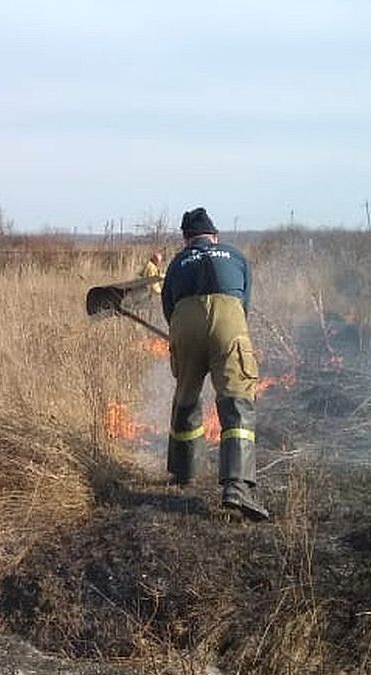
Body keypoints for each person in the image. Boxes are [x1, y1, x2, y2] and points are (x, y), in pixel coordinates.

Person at [160, 207, 268, 521]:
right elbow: (244, 302)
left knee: (187, 396)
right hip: (229, 320)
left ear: (186, 240)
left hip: (185, 321)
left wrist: (186, 338)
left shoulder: (178, 261)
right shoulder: (234, 254)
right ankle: (237, 486)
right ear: (215, 236)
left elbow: (169, 308)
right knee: (237, 401)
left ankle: (184, 472)